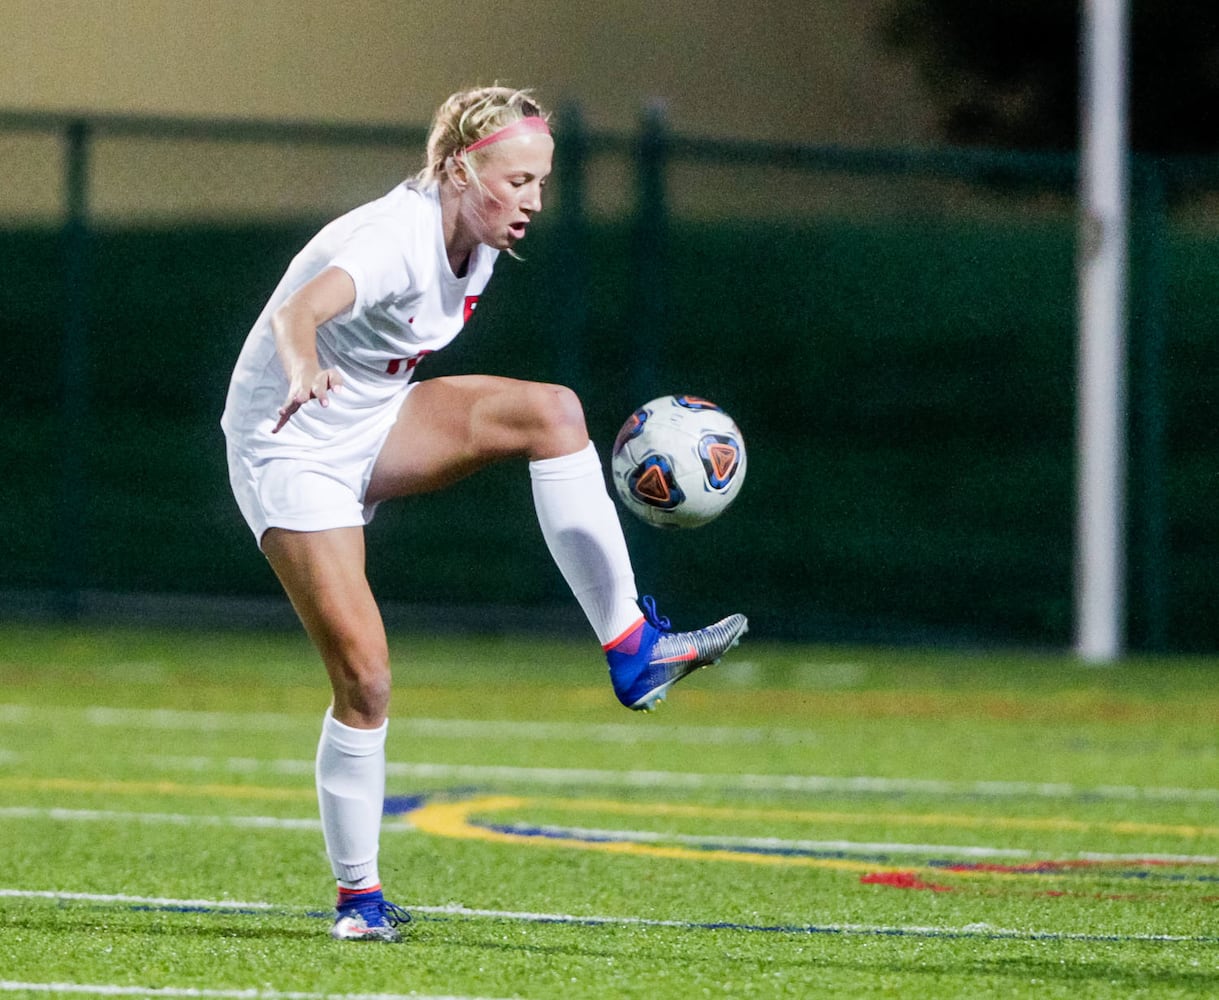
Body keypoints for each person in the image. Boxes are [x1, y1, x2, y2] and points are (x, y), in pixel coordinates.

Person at [220, 85, 748, 943]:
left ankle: (632, 649)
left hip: (371, 420)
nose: (534, 201)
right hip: (292, 443)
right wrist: (303, 364)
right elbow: (298, 312)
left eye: (542, 181)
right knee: (366, 677)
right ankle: (359, 902)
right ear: (461, 171)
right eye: (519, 181)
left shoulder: (482, 234)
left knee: (553, 412)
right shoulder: (393, 241)